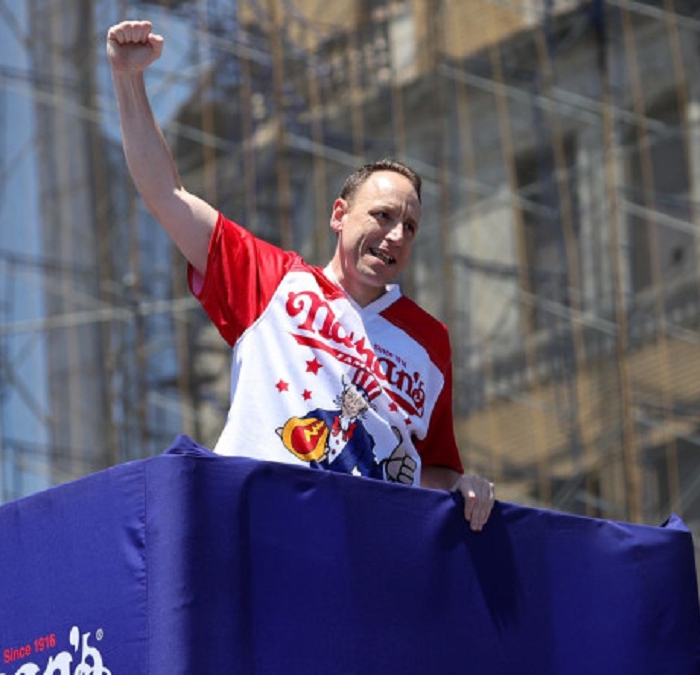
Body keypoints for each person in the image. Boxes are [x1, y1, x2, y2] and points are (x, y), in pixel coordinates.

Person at [107, 19, 495, 531]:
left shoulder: (430, 342)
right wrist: (128, 79)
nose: (397, 234)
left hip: (362, 555)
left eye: (410, 226)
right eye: (382, 216)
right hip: (259, 529)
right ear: (340, 215)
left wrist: (464, 485)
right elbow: (166, 196)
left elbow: (436, 468)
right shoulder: (271, 280)